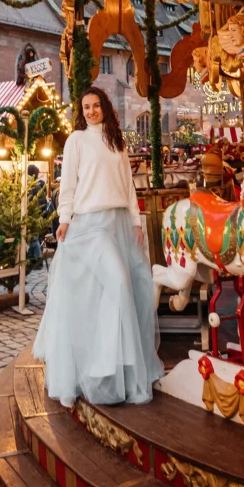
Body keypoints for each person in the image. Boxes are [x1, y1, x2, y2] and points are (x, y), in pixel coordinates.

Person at [33, 86, 163, 408]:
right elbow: (69, 183)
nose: (91, 111)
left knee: (127, 290)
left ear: (105, 106)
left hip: (118, 222)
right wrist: (64, 218)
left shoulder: (117, 142)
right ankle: (95, 368)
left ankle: (119, 369)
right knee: (117, 282)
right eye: (85, 106)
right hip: (89, 225)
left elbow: (128, 186)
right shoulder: (76, 140)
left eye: (95, 105)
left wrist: (136, 221)